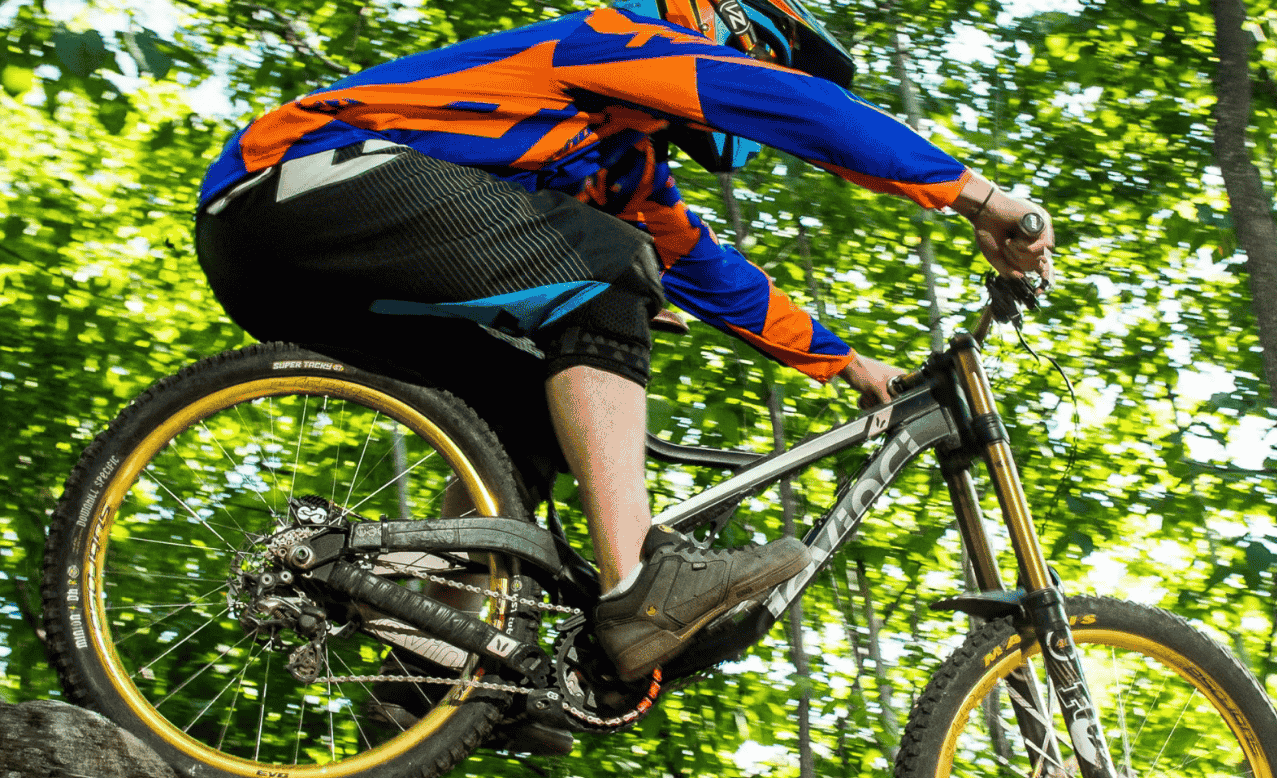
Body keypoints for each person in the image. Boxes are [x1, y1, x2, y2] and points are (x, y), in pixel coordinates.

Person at [193, 0, 1054, 689]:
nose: (757, 78)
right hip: (289, 185)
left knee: (528, 423)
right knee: (609, 271)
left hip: (304, 264)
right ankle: (636, 584)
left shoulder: (618, 165)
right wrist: (979, 199)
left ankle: (430, 664)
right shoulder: (611, 41)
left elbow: (714, 275)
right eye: (760, 52)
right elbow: (804, 110)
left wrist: (850, 364)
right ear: (720, 20)